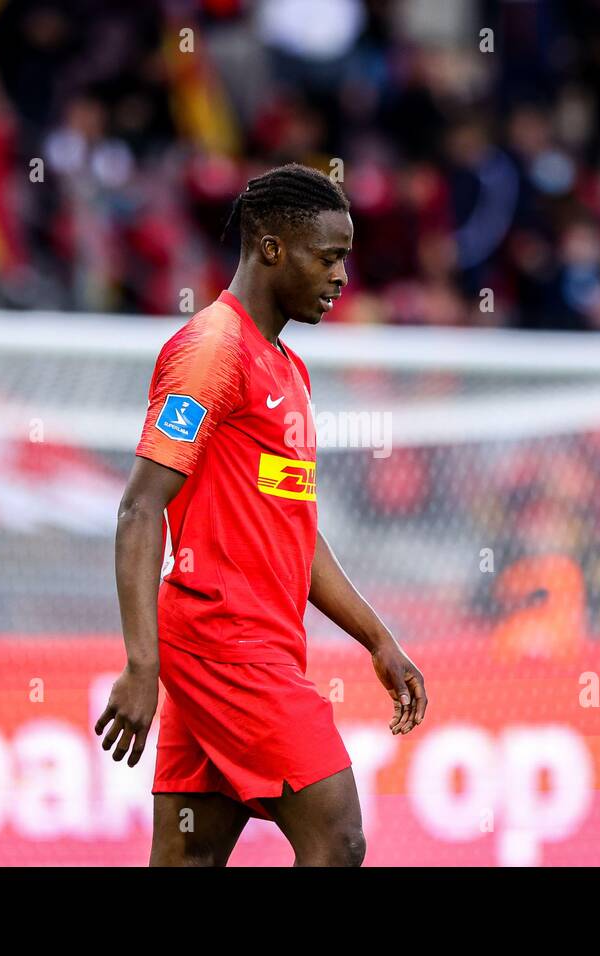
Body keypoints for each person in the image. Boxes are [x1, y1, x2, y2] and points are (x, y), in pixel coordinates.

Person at [94, 163, 428, 866]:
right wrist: (139, 665)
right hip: (225, 641)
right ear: (272, 248)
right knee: (338, 838)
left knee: (189, 858)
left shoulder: (287, 369)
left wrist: (378, 639)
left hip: (250, 643)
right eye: (330, 257)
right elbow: (138, 507)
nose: (342, 278)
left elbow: (295, 532)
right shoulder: (212, 351)